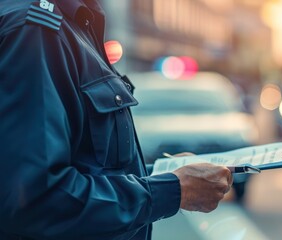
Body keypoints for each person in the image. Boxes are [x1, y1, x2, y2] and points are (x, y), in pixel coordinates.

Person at [0, 0, 233, 239]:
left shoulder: (75, 23)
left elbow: (89, 162)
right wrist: (173, 189)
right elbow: (36, 200)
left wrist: (164, 175)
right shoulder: (36, 29)